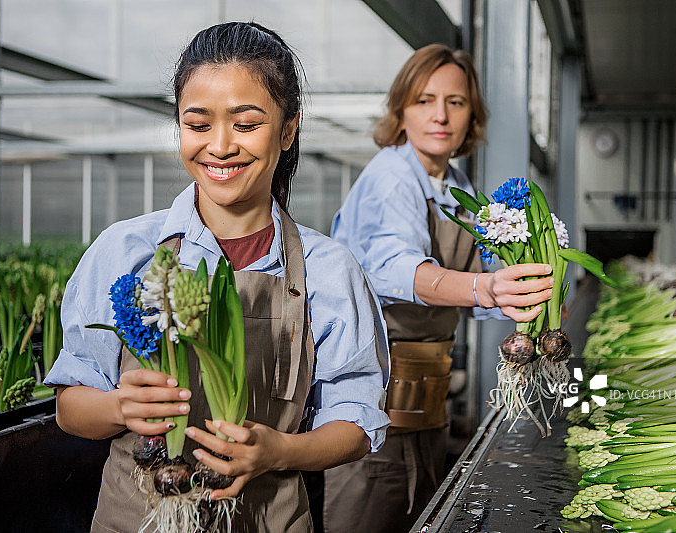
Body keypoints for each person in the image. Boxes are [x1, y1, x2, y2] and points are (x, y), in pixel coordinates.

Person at [44, 22, 390, 533]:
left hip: (268, 518)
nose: (220, 146)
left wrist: (280, 451)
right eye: (198, 124)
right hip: (138, 515)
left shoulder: (328, 269)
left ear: (289, 129)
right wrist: (120, 405)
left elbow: (358, 425)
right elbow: (70, 407)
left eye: (246, 124)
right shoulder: (126, 250)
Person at [327, 44, 554, 532]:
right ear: (401, 110)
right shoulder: (393, 178)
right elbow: (394, 268)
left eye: (456, 101)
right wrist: (486, 288)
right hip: (371, 406)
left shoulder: (454, 185)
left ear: (472, 114)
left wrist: (532, 294)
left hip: (426, 406)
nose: (440, 115)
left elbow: (480, 282)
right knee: (365, 515)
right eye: (424, 100)